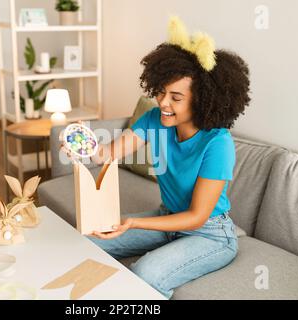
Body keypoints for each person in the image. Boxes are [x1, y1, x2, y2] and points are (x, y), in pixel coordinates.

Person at [62, 16, 251, 299]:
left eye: (176, 97)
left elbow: (197, 217)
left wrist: (133, 222)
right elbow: (108, 153)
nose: (163, 102)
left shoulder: (218, 143)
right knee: (90, 239)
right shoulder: (154, 120)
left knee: (145, 274)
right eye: (161, 92)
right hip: (169, 219)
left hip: (209, 233)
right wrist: (82, 147)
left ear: (200, 100)